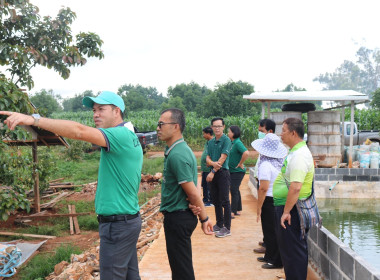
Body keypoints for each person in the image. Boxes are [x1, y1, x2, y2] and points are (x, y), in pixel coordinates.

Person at [1, 91, 143, 280]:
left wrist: (33, 120)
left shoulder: (119, 135)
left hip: (118, 226)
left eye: (101, 109)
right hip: (126, 222)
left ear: (117, 111)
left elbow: (79, 131)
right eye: (94, 110)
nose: (96, 114)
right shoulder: (128, 134)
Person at [157, 108, 213, 280]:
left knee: (181, 271)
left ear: (176, 127)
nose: (158, 128)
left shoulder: (178, 154)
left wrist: (204, 218)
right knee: (180, 267)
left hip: (178, 217)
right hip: (180, 214)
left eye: (161, 124)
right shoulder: (178, 150)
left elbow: (194, 193)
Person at [273, 117, 315, 280]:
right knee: (289, 252)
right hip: (290, 209)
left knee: (293, 252)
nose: (281, 135)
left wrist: (286, 211)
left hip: (293, 211)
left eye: (283, 131)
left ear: (293, 133)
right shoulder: (295, 152)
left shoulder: (299, 155)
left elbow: (296, 187)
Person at [251, 133, 287, 269]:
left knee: (271, 231)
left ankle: (275, 260)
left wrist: (259, 206)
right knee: (270, 230)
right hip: (277, 199)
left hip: (269, 200)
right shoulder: (278, 163)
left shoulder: (265, 165)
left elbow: (263, 188)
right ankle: (269, 256)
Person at [252, 118, 276, 254]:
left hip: (268, 191)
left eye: (262, 131)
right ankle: (267, 241)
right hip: (265, 186)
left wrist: (259, 205)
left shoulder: (271, 151)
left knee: (268, 221)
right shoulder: (266, 150)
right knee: (266, 221)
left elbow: (264, 186)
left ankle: (269, 247)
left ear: (270, 131)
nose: (259, 133)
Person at [206, 117, 232, 238]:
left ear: (223, 127)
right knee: (215, 200)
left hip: (222, 173)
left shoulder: (226, 140)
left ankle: (227, 227)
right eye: (215, 126)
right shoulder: (210, 142)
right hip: (214, 171)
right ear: (212, 127)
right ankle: (219, 223)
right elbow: (207, 158)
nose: (217, 128)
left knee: (225, 200)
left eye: (219, 126)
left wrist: (212, 171)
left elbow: (222, 158)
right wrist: (212, 164)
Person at [227, 125, 249, 218]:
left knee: (233, 189)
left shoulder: (237, 143)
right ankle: (238, 209)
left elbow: (246, 152)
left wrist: (240, 163)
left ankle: (233, 211)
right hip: (232, 171)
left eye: (229, 131)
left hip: (238, 171)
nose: (228, 133)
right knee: (235, 189)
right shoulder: (232, 143)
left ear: (234, 133)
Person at [200, 126, 214, 207]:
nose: (203, 135)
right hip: (205, 168)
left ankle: (211, 200)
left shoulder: (213, 142)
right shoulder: (207, 142)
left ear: (208, 134)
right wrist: (202, 168)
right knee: (204, 185)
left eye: (204, 134)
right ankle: (205, 199)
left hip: (209, 168)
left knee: (210, 185)